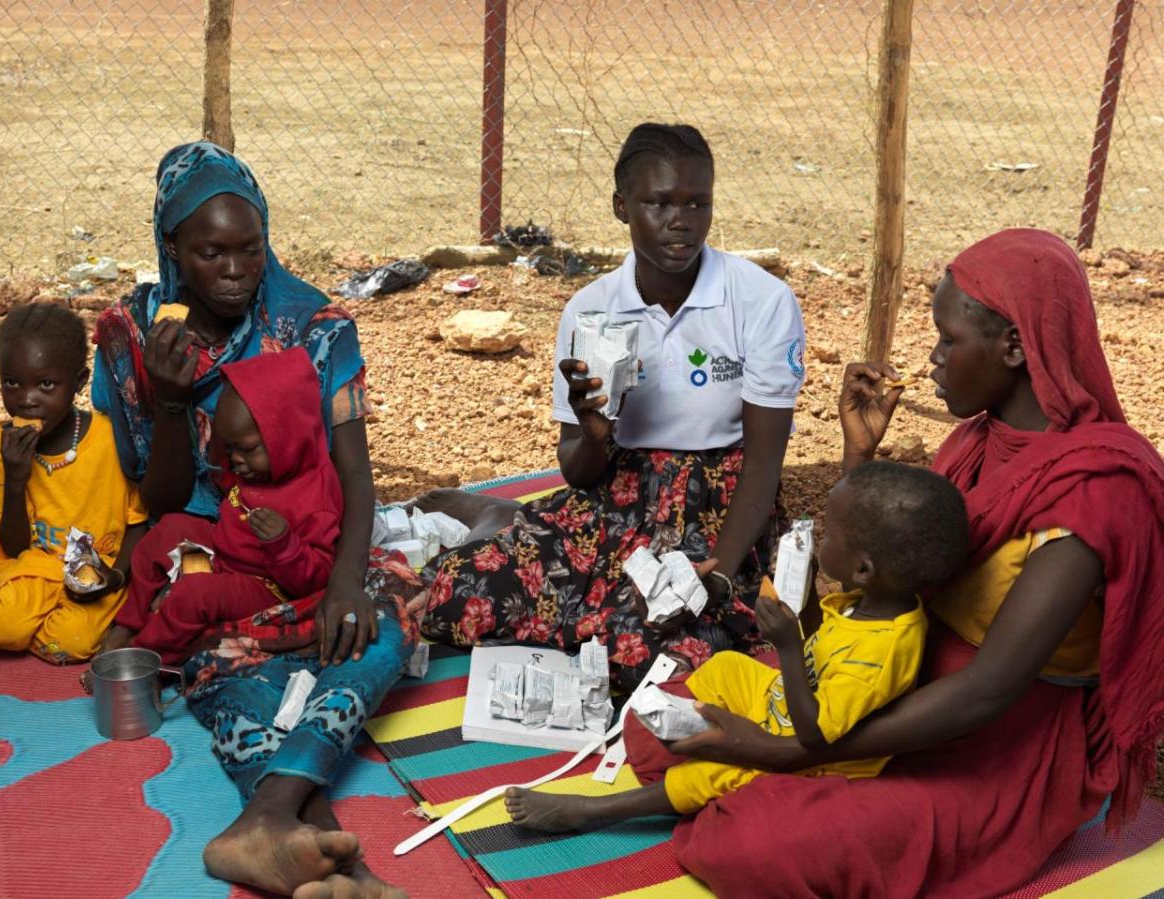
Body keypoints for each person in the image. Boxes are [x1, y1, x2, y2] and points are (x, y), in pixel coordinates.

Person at [653, 229, 1164, 898]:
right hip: (889, 688)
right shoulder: (975, 443)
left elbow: (987, 691)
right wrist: (859, 460)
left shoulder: (1096, 491)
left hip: (993, 752)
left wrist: (794, 749)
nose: (931, 360)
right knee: (677, 721)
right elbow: (882, 575)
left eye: (949, 341)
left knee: (754, 838)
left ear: (1014, 346)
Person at [92, 142, 420, 898]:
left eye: (251, 248)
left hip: (307, 542)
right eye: (211, 252)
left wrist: (344, 582)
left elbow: (355, 476)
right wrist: (169, 399)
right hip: (213, 552)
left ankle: (268, 819)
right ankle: (330, 855)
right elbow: (164, 501)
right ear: (171, 251)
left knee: (387, 612)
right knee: (217, 653)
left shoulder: (315, 326)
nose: (236, 269)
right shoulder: (132, 335)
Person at [419, 123, 806, 689]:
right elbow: (579, 473)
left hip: (717, 509)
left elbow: (765, 462)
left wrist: (719, 572)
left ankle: (554, 567)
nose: (682, 220)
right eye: (660, 203)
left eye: (699, 203)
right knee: (448, 599)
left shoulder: (760, 301)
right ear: (622, 207)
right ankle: (504, 520)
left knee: (644, 655)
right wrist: (596, 433)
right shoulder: (591, 309)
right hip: (615, 498)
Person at [505, 461, 969, 831]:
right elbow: (817, 645)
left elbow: (813, 736)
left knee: (716, 771)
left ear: (865, 569)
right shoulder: (867, 603)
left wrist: (787, 647)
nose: (821, 538)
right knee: (729, 665)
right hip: (792, 701)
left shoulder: (882, 652)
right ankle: (694, 724)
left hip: (812, 752)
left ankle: (592, 812)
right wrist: (802, 603)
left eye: (832, 535)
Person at [104, 347, 343, 664]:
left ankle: (147, 658)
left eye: (245, 450)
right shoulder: (258, 466)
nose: (236, 461)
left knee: (196, 596)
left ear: (287, 435)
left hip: (266, 587)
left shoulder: (317, 493)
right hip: (219, 558)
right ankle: (129, 622)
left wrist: (284, 544)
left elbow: (317, 580)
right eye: (231, 448)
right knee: (167, 531)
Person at [0, 303, 147, 663]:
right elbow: (13, 548)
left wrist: (114, 578)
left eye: (46, 384)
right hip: (29, 568)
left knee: (71, 643)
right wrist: (15, 481)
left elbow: (137, 524)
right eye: (11, 382)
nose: (27, 399)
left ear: (78, 382)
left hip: (94, 572)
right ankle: (17, 627)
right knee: (4, 627)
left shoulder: (110, 440)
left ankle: (28, 630)